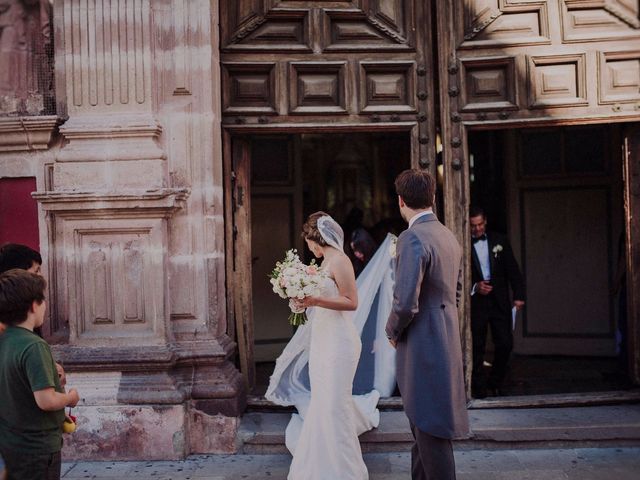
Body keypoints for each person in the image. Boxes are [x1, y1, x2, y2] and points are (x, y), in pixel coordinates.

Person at [385, 169, 469, 480]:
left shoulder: (413, 237)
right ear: (432, 197)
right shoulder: (447, 234)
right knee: (424, 434)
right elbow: (456, 293)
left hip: (423, 344)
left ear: (401, 201)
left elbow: (406, 301)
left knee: (430, 432)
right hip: (445, 340)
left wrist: (392, 331)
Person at [284, 212, 369, 479]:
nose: (309, 248)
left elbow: (351, 302)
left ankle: (346, 470)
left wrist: (315, 301)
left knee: (335, 405)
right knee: (323, 402)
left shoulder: (341, 261)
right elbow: (319, 298)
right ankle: (323, 463)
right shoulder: (325, 263)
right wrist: (301, 301)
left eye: (308, 243)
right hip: (323, 340)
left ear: (315, 239)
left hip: (339, 344)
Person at [0, 269, 79, 480]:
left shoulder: (5, 340)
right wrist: (71, 397)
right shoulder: (34, 345)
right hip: (38, 449)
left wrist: (52, 378)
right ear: (33, 306)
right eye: (43, 300)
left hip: (11, 445)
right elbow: (46, 400)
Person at [469, 206, 525, 398]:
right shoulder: (462, 243)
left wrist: (519, 295)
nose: (477, 229)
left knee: (505, 343)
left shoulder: (499, 241)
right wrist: (475, 287)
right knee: (477, 346)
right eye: (473, 226)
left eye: (480, 224)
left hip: (499, 300)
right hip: (477, 302)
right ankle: (478, 388)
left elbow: (513, 269)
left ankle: (495, 381)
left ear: (485, 222)